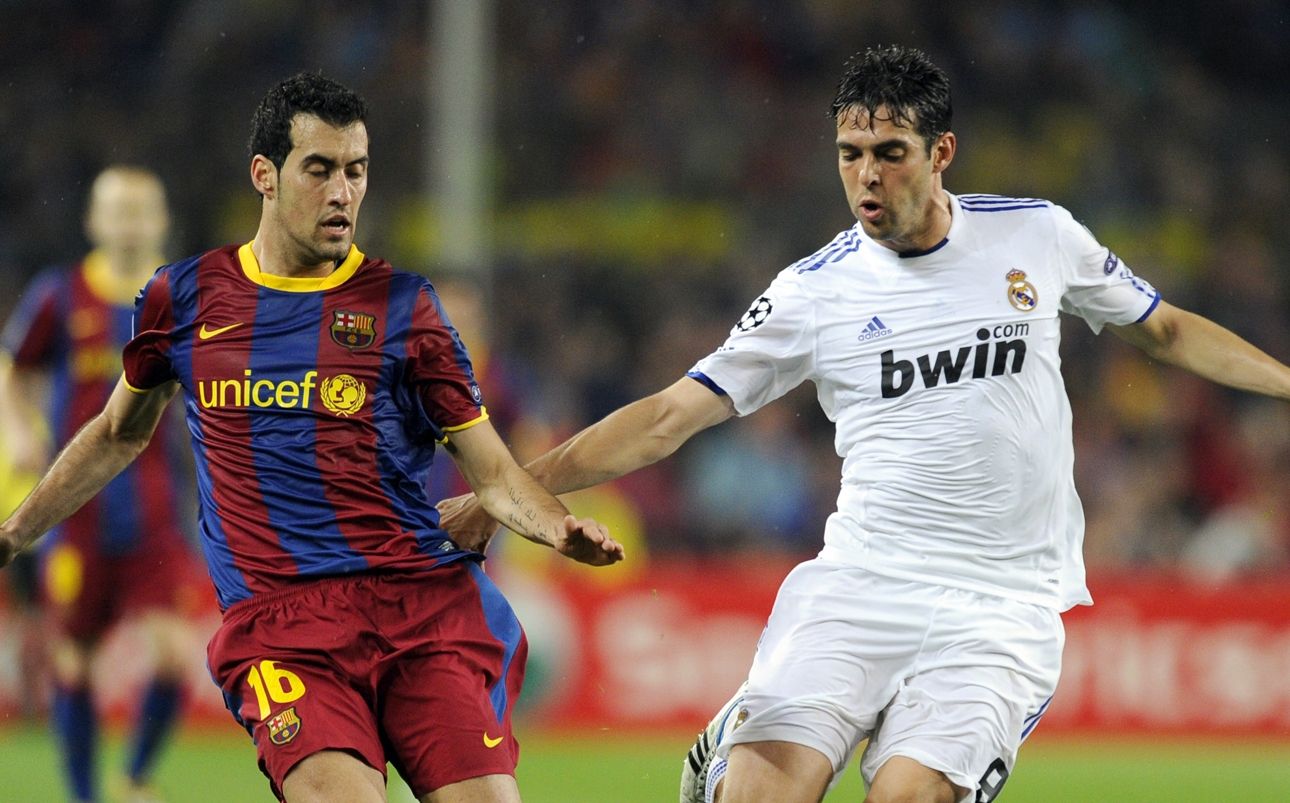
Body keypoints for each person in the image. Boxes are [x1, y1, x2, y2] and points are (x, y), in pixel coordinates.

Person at [436, 45, 1290, 803]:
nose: (867, 178)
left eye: (890, 153)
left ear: (941, 153)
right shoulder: (815, 292)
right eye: (850, 155)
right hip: (861, 583)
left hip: (1002, 607)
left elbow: (1168, 329)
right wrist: (503, 490)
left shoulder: (1038, 235)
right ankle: (741, 746)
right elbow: (665, 417)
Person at [0, 72, 623, 803]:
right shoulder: (186, 297)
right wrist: (15, 532)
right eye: (319, 169)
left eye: (356, 171)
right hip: (282, 624)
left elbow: (491, 469)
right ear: (264, 175)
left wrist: (555, 524)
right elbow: (115, 434)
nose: (342, 192)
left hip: (419, 607)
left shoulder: (406, 307)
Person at [0, 165, 205, 803]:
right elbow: (14, 369)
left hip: (153, 508)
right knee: (75, 662)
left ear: (160, 221)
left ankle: (136, 774)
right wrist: (16, 428)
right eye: (115, 210)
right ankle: (86, 796)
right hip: (77, 511)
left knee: (175, 656)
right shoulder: (60, 296)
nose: (127, 223)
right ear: (93, 221)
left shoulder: (183, 297)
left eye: (139, 211)